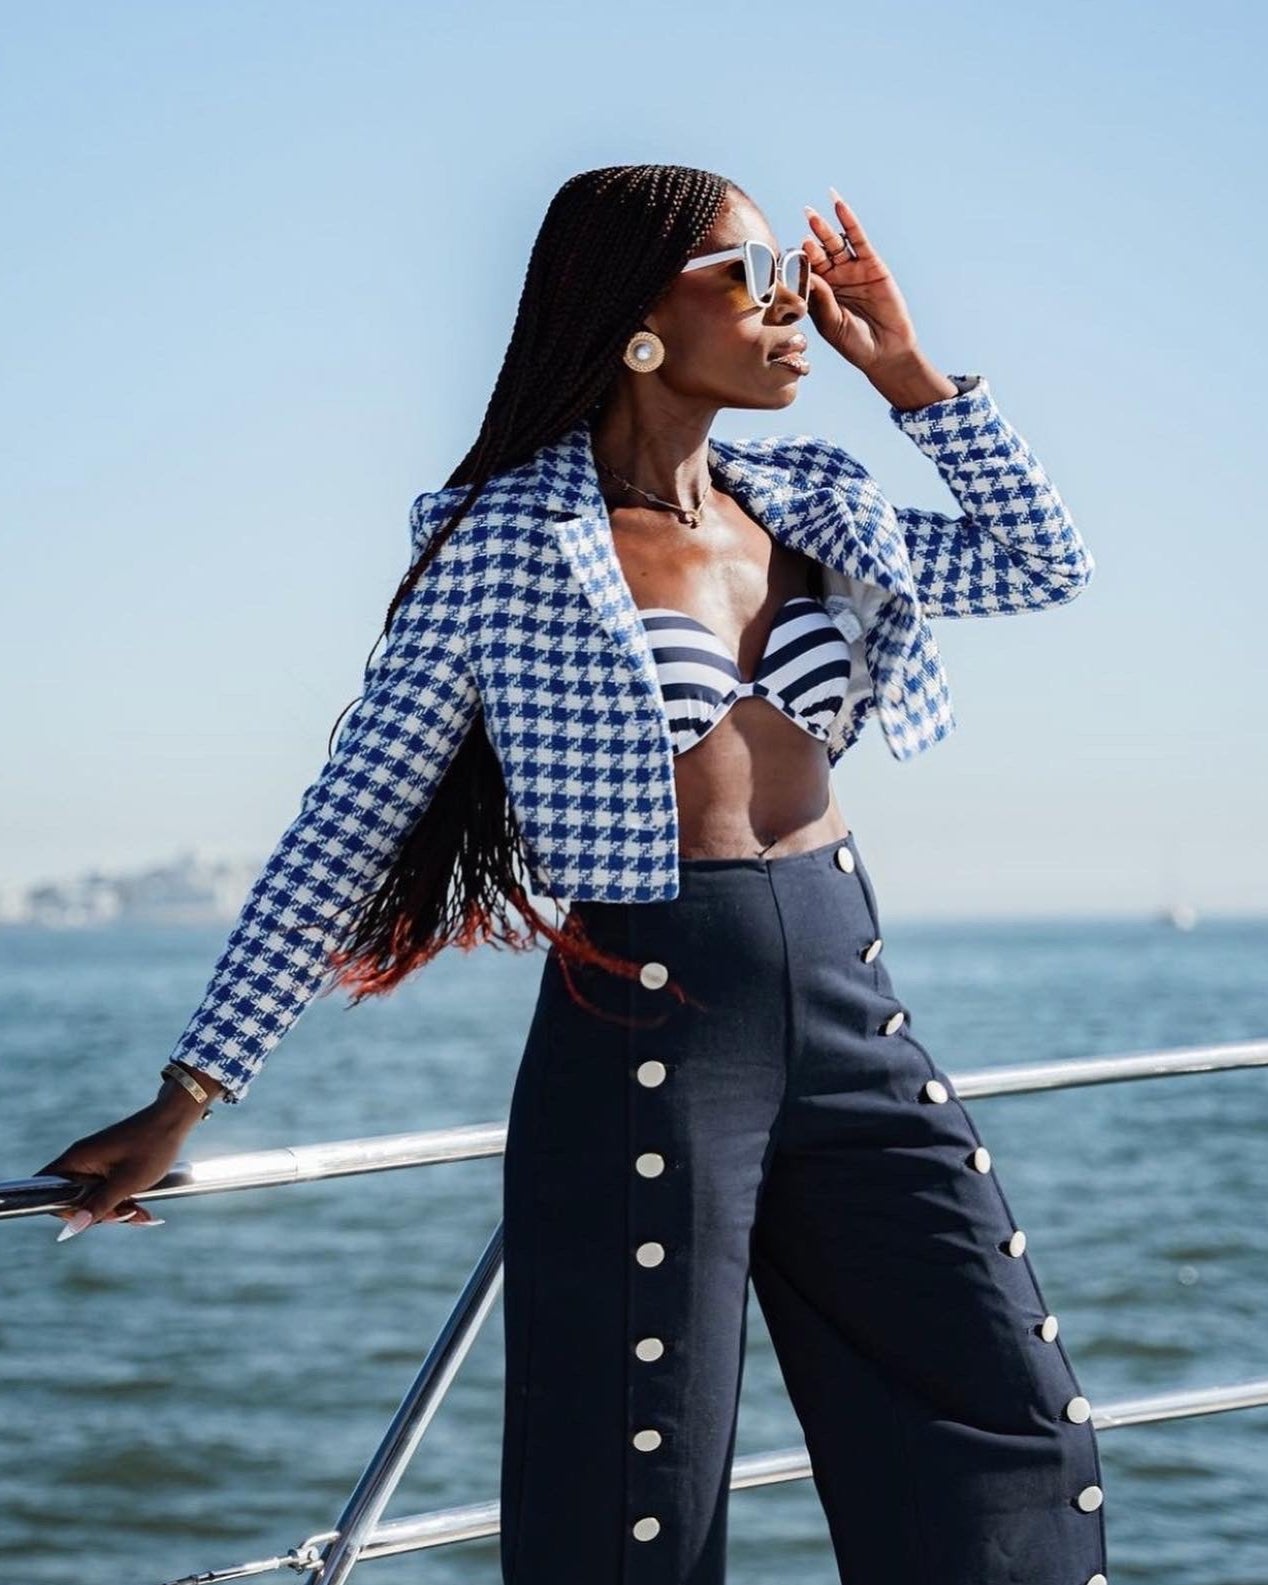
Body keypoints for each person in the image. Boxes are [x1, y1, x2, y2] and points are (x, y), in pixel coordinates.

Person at [35, 164, 1109, 1585]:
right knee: (635, 1490)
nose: (794, 300)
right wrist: (190, 1093)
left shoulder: (813, 500)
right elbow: (345, 829)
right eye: (752, 271)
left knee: (1006, 1419)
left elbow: (1044, 565)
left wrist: (913, 379)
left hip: (853, 1006)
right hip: (651, 1034)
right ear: (635, 319)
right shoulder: (509, 545)